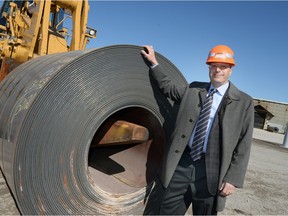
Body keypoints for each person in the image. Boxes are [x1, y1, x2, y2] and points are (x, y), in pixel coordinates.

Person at [141, 45, 254, 215]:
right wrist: (154, 63)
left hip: (212, 173)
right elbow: (168, 88)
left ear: (231, 69)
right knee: (166, 211)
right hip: (183, 163)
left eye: (223, 67)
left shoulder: (244, 102)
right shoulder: (193, 89)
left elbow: (243, 144)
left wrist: (232, 179)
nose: (218, 70)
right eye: (214, 66)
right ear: (209, 68)